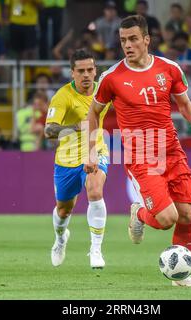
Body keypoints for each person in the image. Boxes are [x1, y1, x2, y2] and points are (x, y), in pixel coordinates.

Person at [85, 15, 191, 287]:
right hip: (141, 156)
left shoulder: (169, 69)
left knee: (187, 215)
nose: (128, 45)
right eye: (123, 40)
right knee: (168, 218)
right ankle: (139, 213)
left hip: (171, 149)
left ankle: (181, 276)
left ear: (147, 39)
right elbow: (93, 112)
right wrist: (91, 150)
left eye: (133, 39)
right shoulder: (111, 77)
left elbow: (184, 103)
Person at [44, 49, 111, 269]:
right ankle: (60, 238)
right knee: (63, 210)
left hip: (96, 151)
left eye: (90, 70)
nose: (86, 75)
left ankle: (96, 250)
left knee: (94, 189)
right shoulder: (63, 96)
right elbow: (49, 131)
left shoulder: (104, 90)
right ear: (72, 73)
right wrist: (75, 128)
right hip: (67, 159)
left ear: (95, 71)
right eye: (80, 71)